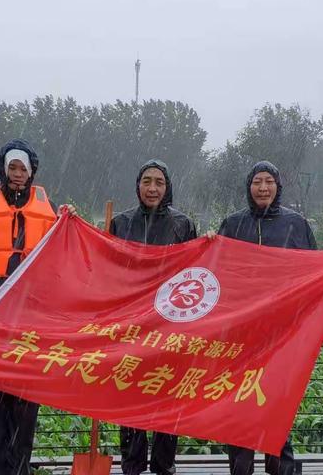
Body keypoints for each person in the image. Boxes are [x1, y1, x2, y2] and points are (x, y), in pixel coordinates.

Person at [0, 138, 74, 475]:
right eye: (13, 167)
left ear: (32, 171)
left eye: (23, 168)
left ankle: (18, 469)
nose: (18, 174)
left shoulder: (50, 209)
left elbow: (60, 264)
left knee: (24, 411)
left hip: (30, 326)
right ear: (3, 169)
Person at [218, 160, 315, 475]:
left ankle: (280, 466)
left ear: (278, 186)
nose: (263, 188)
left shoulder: (296, 224)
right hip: (241, 333)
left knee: (279, 402)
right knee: (240, 402)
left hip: (283, 332)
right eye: (257, 182)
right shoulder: (232, 224)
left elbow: (316, 271)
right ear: (249, 187)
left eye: (269, 181)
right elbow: (217, 271)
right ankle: (240, 466)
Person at [110, 159, 197, 475]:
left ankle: (164, 464)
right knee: (130, 394)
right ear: (138, 185)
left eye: (159, 182)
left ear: (167, 186)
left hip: (170, 325)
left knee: (167, 395)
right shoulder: (120, 223)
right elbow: (106, 271)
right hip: (131, 324)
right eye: (146, 181)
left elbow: (194, 274)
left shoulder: (182, 225)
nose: (152, 188)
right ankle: (132, 464)